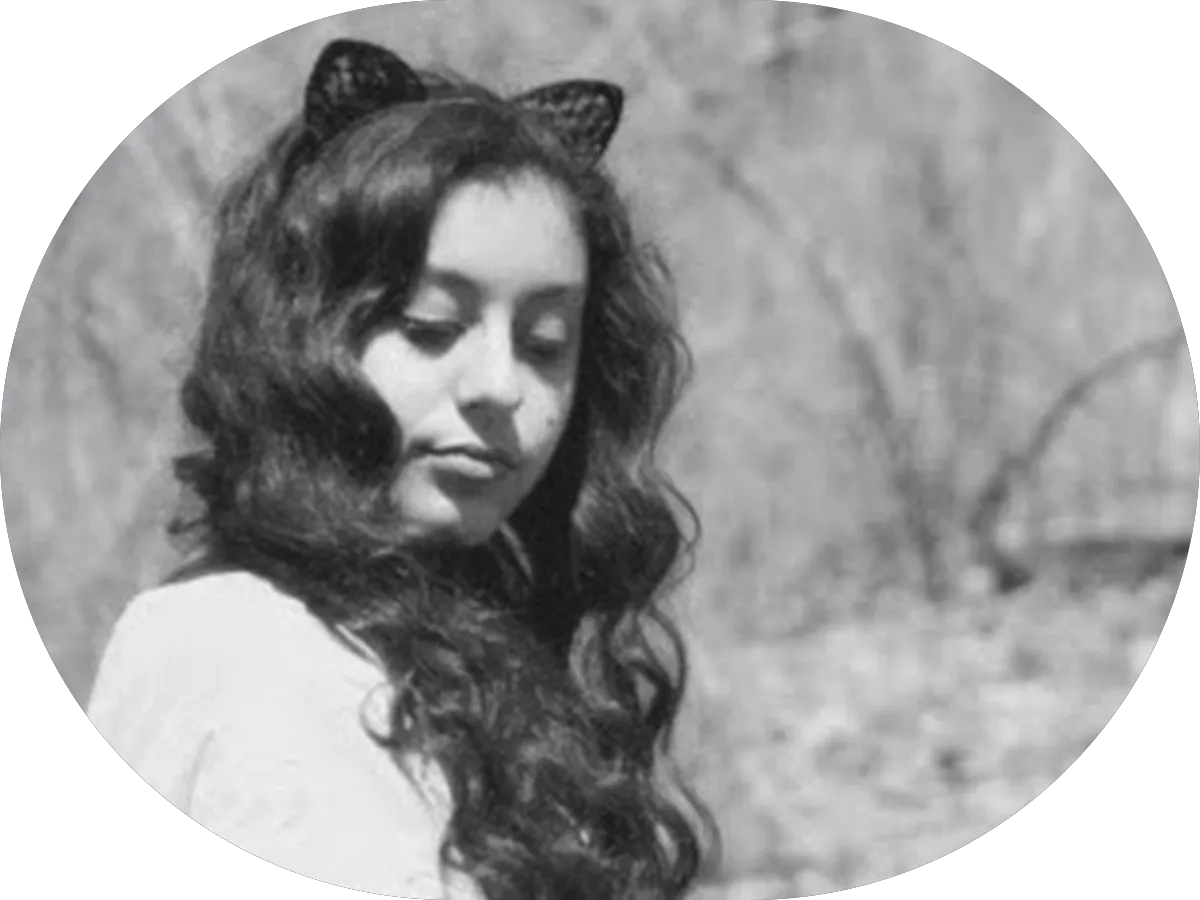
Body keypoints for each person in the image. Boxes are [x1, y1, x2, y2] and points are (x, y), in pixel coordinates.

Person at [87, 38, 720, 899]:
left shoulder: (487, 648)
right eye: (430, 328)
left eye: (544, 343)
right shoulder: (243, 649)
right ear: (300, 336)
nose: (501, 386)